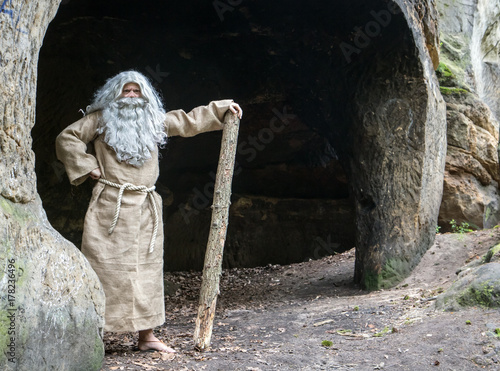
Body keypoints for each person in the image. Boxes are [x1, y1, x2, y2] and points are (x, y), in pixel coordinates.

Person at [56, 70, 243, 353]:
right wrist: (86, 164)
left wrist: (221, 109)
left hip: (145, 209)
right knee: (102, 269)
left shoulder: (154, 121)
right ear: (114, 95)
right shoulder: (98, 120)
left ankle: (147, 337)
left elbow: (188, 121)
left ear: (145, 95)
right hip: (109, 207)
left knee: (146, 272)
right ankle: (93, 335)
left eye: (136, 91)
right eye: (126, 91)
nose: (131, 97)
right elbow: (67, 138)